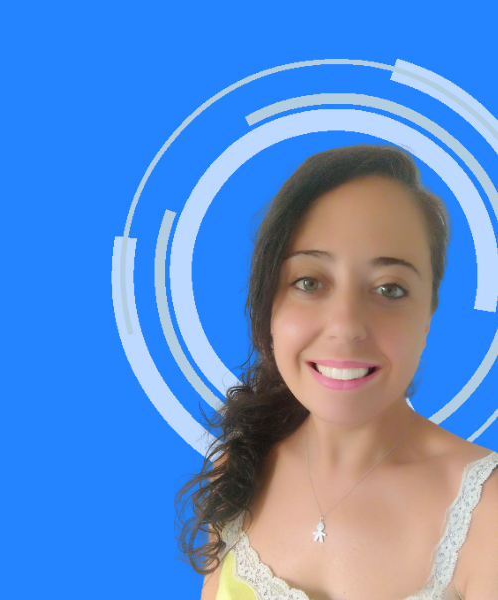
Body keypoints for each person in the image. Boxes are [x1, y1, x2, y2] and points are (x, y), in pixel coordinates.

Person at [174, 145, 498, 600]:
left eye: (389, 288)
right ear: (269, 304)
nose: (345, 326)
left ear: (429, 312)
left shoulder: (488, 514)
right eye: (309, 282)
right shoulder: (237, 470)